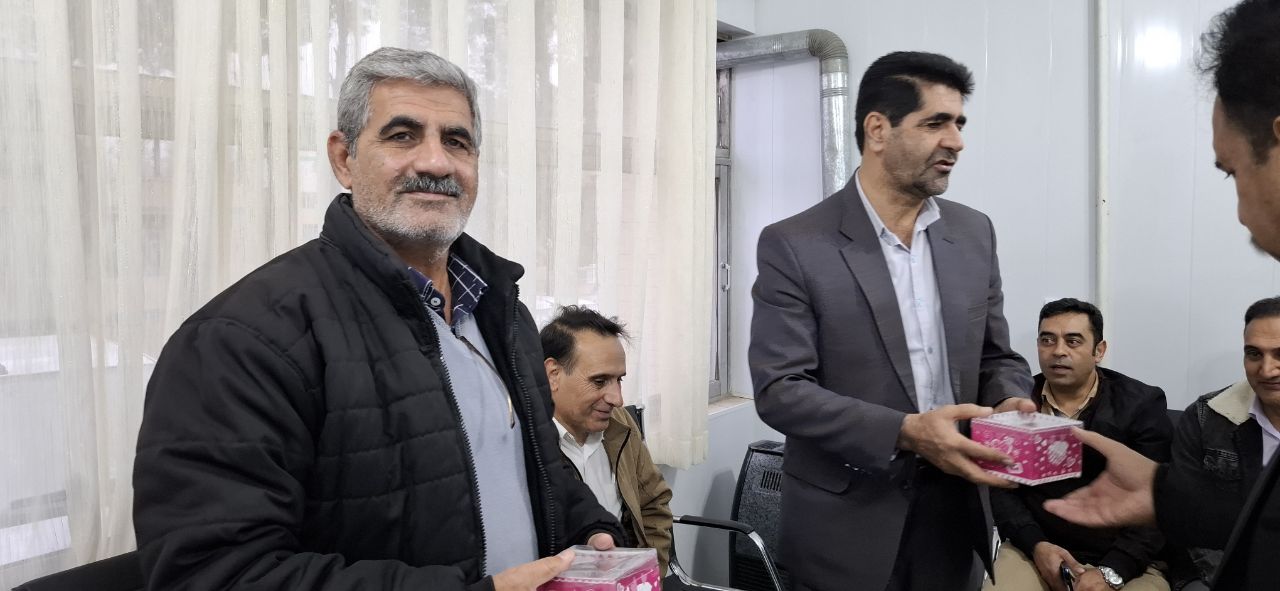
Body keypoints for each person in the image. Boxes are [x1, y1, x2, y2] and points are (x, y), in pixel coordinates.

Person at [131, 47, 622, 590]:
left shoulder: (502, 311)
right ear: (344, 158)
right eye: (403, 136)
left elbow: (528, 460)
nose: (436, 163)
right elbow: (212, 573)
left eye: (456, 141)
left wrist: (588, 528)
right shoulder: (241, 340)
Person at [749, 50, 1036, 591]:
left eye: (959, 123)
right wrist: (905, 432)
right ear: (878, 130)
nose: (956, 141)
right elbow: (780, 390)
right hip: (846, 525)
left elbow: (997, 356)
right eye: (936, 123)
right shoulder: (796, 244)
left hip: (956, 516)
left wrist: (1009, 401)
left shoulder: (974, 233)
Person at [1043, 1, 1280, 589]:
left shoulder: (1139, 403)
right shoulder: (1024, 403)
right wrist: (1163, 494)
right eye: (1048, 340)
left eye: (1232, 172)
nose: (1240, 211)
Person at [986, 299, 1172, 591]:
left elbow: (1159, 500)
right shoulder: (1018, 402)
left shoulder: (1141, 405)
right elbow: (1000, 490)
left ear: (1099, 351)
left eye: (1073, 341)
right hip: (1036, 548)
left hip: (1127, 558)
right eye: (1047, 340)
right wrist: (1036, 545)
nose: (1058, 351)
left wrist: (1113, 570)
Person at [540, 306, 674, 574]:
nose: (617, 399)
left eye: (619, 380)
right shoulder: (525, 443)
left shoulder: (620, 424)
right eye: (600, 381)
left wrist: (648, 575)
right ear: (553, 374)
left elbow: (653, 504)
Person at [1162, 297, 1280, 590]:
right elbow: (1186, 523)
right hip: (1217, 573)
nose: (1266, 370)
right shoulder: (1206, 417)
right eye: (1254, 354)